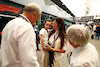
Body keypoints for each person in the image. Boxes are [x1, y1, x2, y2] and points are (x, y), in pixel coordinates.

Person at [1, 3, 41, 67]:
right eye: (38, 17)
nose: (37, 20)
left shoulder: (9, 24)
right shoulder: (27, 28)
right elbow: (29, 60)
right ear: (33, 14)